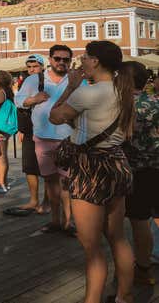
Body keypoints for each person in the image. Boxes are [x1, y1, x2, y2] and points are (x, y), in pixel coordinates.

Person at [50, 41, 135, 303]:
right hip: (116, 162)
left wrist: (72, 86)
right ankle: (124, 296)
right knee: (118, 238)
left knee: (92, 248)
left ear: (96, 61)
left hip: (90, 168)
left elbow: (55, 116)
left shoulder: (87, 92)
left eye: (86, 57)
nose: (82, 62)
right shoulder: (124, 91)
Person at [16, 45, 75, 235]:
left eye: (66, 59)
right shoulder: (35, 79)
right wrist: (33, 99)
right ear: (50, 60)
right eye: (58, 58)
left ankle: (68, 222)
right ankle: (55, 221)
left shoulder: (75, 80)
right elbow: (19, 100)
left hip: (69, 138)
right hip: (42, 138)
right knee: (50, 181)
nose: (62, 62)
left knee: (67, 182)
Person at [122, 61, 159, 286]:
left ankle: (143, 268)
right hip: (156, 164)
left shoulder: (128, 106)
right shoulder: (155, 102)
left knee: (139, 220)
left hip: (139, 169)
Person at [5, 55, 49, 217]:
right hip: (30, 129)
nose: (31, 70)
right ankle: (33, 200)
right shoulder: (28, 82)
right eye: (29, 66)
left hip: (49, 129)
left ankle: (47, 201)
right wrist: (23, 129)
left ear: (42, 67)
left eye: (35, 66)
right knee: (30, 166)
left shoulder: (49, 80)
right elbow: (19, 102)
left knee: (48, 169)